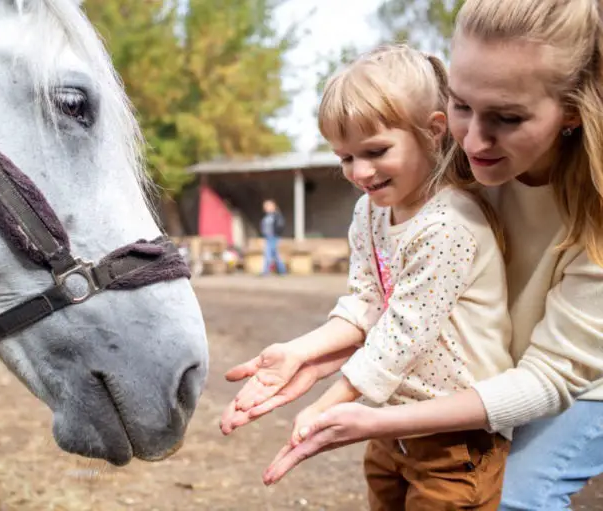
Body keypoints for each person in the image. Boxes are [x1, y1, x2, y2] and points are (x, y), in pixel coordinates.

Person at [227, 1, 603, 508]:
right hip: (475, 375)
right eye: (463, 106)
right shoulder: (433, 176)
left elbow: (549, 379)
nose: (469, 139)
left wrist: (361, 408)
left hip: (579, 383)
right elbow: (385, 299)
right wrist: (310, 355)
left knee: (513, 497)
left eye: (507, 117)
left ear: (573, 113)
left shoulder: (569, 210)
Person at [221, 43, 516, 509]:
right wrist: (298, 353)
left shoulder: (449, 225)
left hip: (454, 441)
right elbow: (365, 302)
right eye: (344, 157)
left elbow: (401, 333)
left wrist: (329, 403)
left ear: (434, 131)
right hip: (392, 427)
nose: (360, 172)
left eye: (375, 151)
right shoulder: (371, 212)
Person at [260, 199, 286, 275]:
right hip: (267, 236)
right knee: (275, 254)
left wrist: (276, 233)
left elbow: (280, 225)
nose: (265, 208)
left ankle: (265, 271)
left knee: (268, 253)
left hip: (273, 236)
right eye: (265, 206)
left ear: (273, 206)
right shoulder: (266, 216)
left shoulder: (276, 215)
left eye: (267, 206)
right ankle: (282, 270)